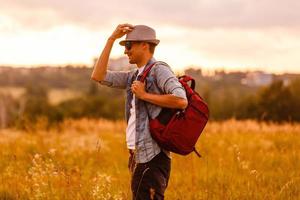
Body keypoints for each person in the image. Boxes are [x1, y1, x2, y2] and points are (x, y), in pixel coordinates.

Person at [91, 23, 187, 200]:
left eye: (129, 45)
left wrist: (144, 95)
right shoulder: (133, 76)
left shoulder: (160, 70)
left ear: (145, 45)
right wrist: (111, 39)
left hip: (153, 157)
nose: (126, 51)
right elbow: (98, 76)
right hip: (137, 156)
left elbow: (181, 100)